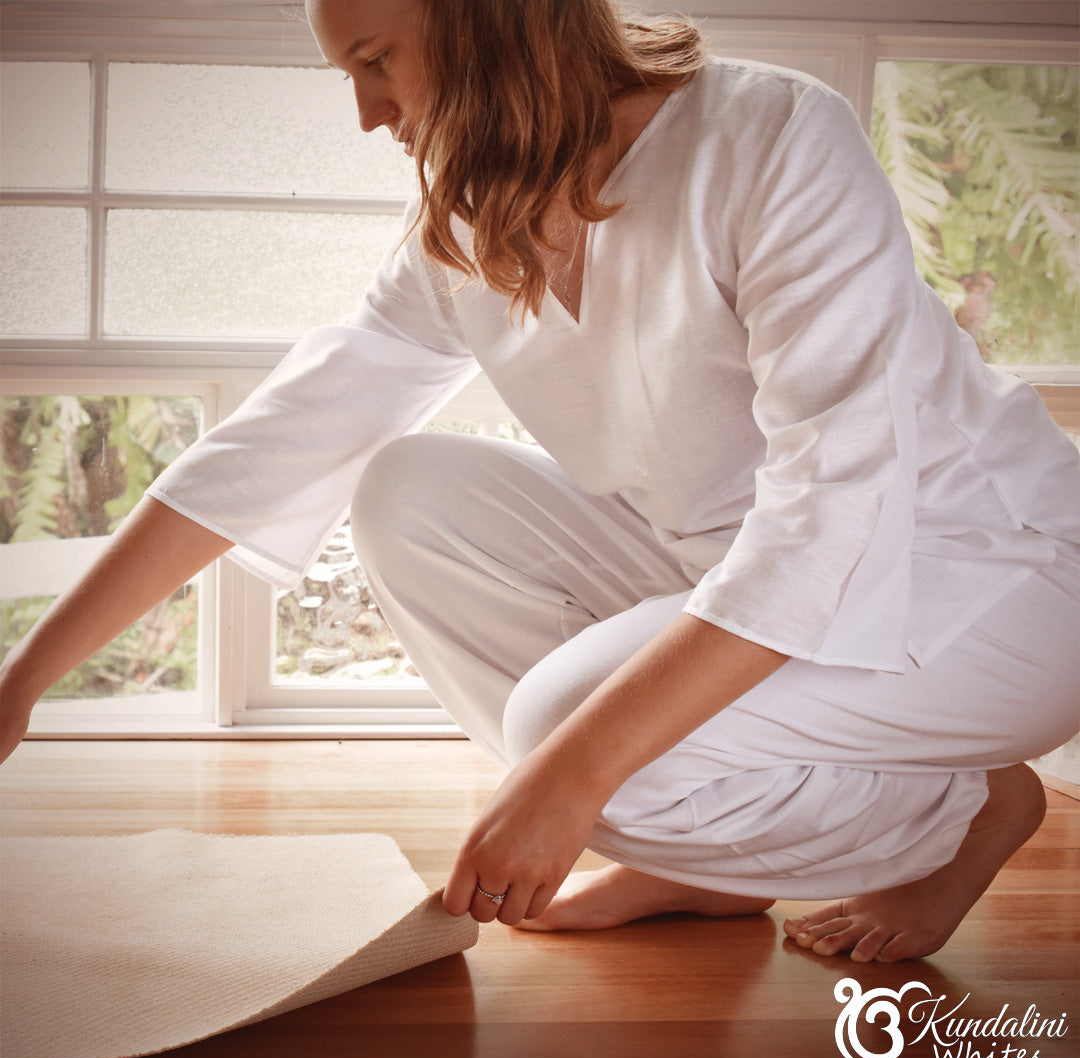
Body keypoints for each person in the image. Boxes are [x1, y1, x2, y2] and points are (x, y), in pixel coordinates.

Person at [2, 0, 1078, 965]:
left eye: (377, 60)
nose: (370, 115)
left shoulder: (769, 137)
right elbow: (270, 446)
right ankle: (705, 865)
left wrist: (572, 777)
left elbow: (835, 518)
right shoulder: (475, 219)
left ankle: (968, 804)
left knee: (573, 732)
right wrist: (22, 683)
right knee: (406, 492)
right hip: (736, 567)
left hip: (987, 573)